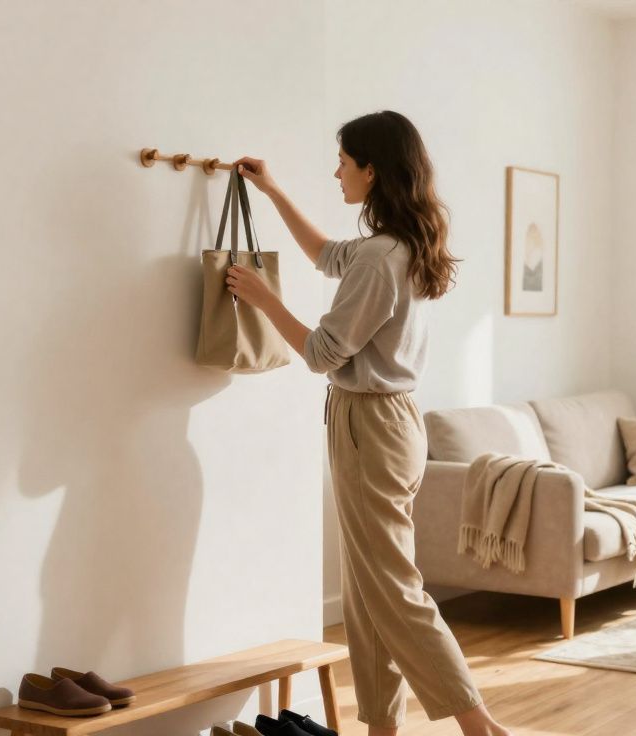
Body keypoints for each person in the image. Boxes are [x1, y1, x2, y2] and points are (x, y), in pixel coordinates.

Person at [226, 111, 512, 736]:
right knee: (368, 587)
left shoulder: (381, 259)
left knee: (390, 586)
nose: (336, 172)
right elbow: (328, 254)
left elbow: (323, 354)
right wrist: (273, 192)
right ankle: (381, 725)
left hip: (369, 426)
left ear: (372, 169)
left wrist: (261, 296)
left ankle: (478, 723)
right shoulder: (398, 246)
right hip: (392, 423)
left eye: (343, 162)